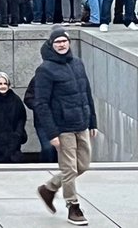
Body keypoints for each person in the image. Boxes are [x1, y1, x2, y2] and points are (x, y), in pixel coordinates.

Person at [34, 26, 96, 226]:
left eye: (64, 41)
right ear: (51, 45)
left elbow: (87, 92)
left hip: (82, 122)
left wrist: (93, 121)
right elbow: (41, 103)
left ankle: (49, 188)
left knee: (83, 165)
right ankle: (73, 205)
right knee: (69, 168)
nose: (61, 45)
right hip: (63, 126)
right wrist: (52, 133)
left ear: (69, 43)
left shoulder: (77, 63)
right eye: (57, 42)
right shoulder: (45, 69)